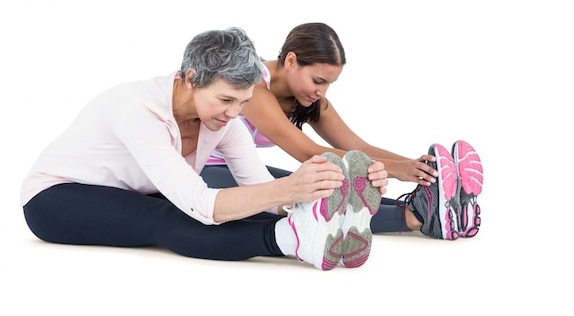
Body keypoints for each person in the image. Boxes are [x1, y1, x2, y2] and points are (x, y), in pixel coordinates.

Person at [20, 27, 389, 271]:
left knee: (238, 205)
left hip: (127, 194)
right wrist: (290, 187)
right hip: (56, 199)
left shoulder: (222, 121)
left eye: (243, 102)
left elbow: (257, 186)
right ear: (191, 77)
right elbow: (203, 204)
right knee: (168, 218)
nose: (233, 114)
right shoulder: (137, 109)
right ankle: (291, 239)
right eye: (225, 99)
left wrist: (324, 187)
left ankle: (315, 224)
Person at [201, 22, 484, 241]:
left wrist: (414, 166)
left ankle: (436, 206)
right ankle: (415, 217)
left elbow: (359, 147)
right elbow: (307, 152)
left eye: (329, 84)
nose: (321, 92)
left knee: (330, 184)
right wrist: (395, 170)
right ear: (290, 61)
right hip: (203, 169)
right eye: (317, 80)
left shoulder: (310, 100)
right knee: (309, 193)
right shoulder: (252, 85)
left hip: (242, 167)